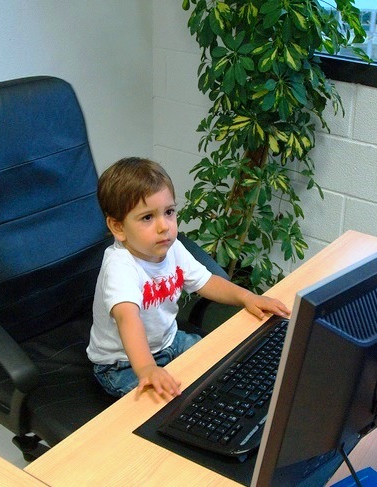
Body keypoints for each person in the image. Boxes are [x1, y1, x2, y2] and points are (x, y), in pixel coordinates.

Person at [87, 157, 291, 400]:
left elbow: (206, 281)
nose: (164, 226)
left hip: (170, 341)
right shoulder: (120, 267)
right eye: (147, 218)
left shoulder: (170, 248)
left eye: (169, 212)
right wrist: (147, 369)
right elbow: (128, 320)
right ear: (118, 228)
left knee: (222, 366)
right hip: (121, 364)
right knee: (169, 403)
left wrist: (248, 297)